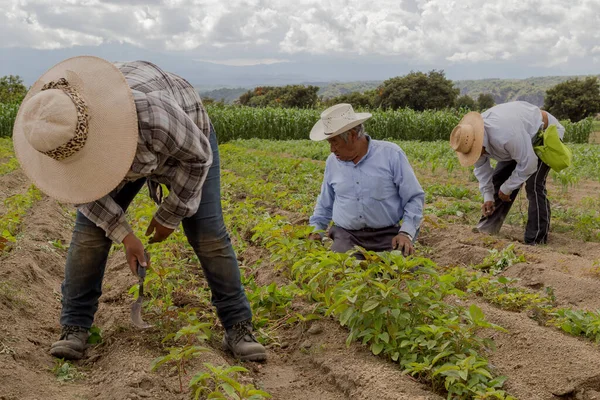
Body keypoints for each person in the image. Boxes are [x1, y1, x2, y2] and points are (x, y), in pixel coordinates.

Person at [12, 56, 266, 361]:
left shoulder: (152, 115)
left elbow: (198, 159)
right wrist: (126, 236)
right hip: (131, 151)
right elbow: (83, 195)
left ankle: (238, 324)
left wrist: (171, 214)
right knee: (89, 236)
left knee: (207, 233)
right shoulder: (60, 139)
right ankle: (75, 326)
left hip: (185, 145)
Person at [307, 103, 425, 257]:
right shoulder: (332, 162)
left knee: (401, 272)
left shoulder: (391, 155)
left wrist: (406, 233)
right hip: (347, 236)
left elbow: (413, 197)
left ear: (351, 135)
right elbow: (325, 203)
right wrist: (316, 230)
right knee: (341, 270)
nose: (332, 149)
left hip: (387, 235)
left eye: (334, 142)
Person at [449, 101, 565, 245]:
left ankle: (536, 240)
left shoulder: (504, 136)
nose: (476, 155)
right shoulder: (473, 139)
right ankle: (487, 228)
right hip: (520, 139)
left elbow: (529, 164)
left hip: (544, 134)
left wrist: (508, 188)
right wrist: (488, 197)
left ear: (478, 142)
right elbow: (482, 170)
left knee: (534, 185)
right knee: (498, 179)